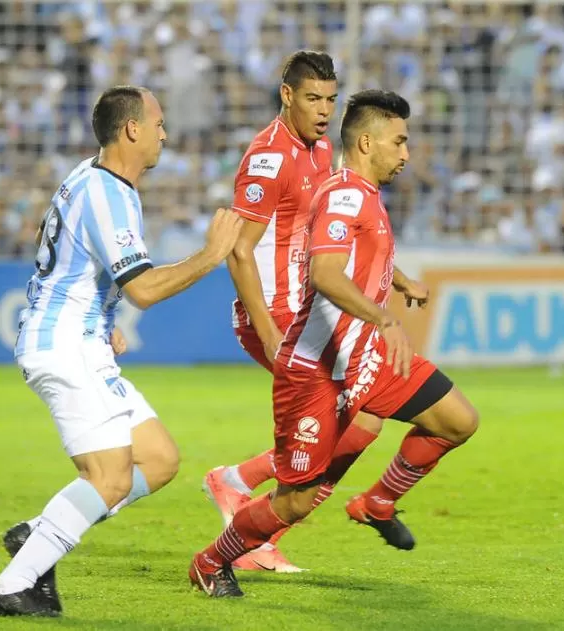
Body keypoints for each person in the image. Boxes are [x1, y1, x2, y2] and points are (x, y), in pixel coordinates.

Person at [189, 89, 480, 598]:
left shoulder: (362, 193)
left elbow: (356, 261)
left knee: (457, 420)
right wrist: (383, 319)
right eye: (400, 142)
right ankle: (211, 561)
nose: (406, 154)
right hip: (317, 372)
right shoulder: (345, 195)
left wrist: (400, 282)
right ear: (368, 142)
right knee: (297, 502)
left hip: (365, 358)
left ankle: (379, 503)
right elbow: (325, 273)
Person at [0, 85, 242, 617]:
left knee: (160, 459)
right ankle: (12, 585)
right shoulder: (108, 193)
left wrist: (105, 316)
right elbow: (143, 288)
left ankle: (42, 532)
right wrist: (211, 256)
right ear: (132, 129)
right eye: (160, 123)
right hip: (66, 345)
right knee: (110, 478)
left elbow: (70, 257)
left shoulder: (92, 177)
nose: (166, 133)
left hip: (83, 338)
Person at [201, 50, 383, 573]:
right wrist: (268, 329)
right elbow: (239, 249)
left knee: (359, 416)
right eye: (312, 98)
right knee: (353, 417)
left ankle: (238, 484)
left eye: (330, 99)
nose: (324, 110)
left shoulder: (323, 147)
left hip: (308, 314)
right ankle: (251, 536)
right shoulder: (269, 158)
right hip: (275, 317)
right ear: (287, 96)